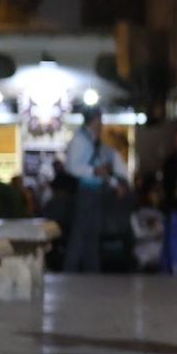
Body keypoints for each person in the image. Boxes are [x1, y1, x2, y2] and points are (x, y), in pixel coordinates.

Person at [61, 108, 123, 272]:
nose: (102, 124)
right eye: (100, 120)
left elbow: (99, 166)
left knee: (93, 235)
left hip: (96, 190)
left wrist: (114, 183)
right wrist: (93, 171)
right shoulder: (80, 139)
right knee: (80, 233)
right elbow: (71, 167)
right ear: (93, 120)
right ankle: (70, 270)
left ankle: (92, 273)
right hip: (85, 191)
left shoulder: (94, 139)